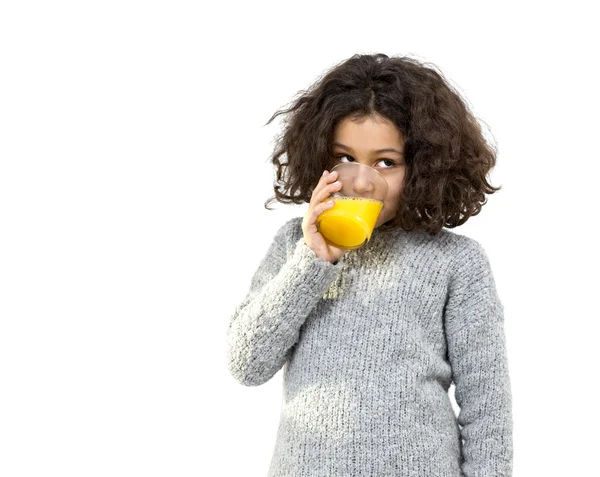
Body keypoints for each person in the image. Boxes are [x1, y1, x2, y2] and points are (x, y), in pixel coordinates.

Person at [226, 53, 513, 477]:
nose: (361, 181)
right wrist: (313, 261)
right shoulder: (295, 245)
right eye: (344, 157)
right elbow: (247, 365)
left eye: (386, 163)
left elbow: (487, 410)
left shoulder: (457, 262)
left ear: (423, 168)